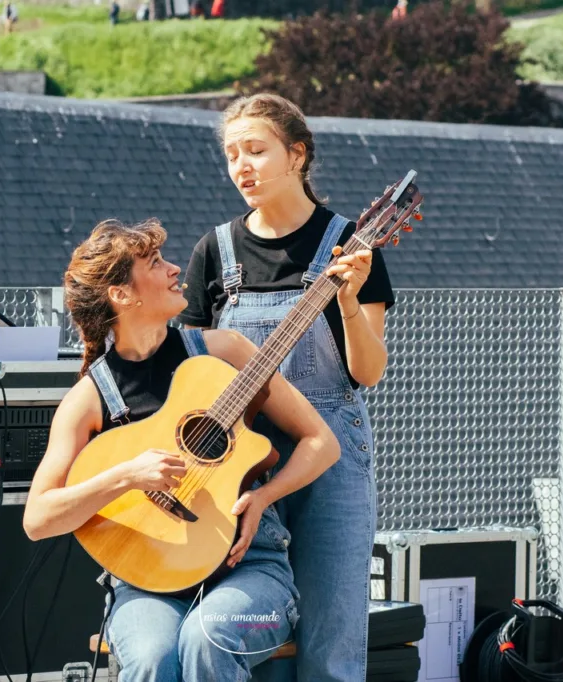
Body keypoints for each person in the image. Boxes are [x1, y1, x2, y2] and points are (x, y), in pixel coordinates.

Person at [23, 218, 341, 681]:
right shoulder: (89, 400)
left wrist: (264, 497)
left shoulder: (225, 350)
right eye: (155, 263)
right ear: (122, 295)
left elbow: (322, 442)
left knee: (207, 637)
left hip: (252, 575)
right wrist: (128, 475)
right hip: (144, 584)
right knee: (154, 655)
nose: (176, 269)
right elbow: (38, 519)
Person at [180, 93, 396, 681]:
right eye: (232, 155)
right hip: (233, 460)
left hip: (331, 453)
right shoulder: (213, 252)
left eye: (256, 150)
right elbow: (190, 376)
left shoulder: (350, 244)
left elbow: (368, 371)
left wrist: (348, 300)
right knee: (235, 628)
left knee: (331, 639)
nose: (241, 166)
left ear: (297, 154)